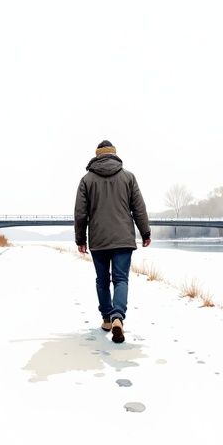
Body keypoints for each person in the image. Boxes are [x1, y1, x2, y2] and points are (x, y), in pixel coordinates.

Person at [74, 140, 151, 343]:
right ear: (114, 154)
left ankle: (107, 319)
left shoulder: (86, 180)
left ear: (97, 155)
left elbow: (80, 213)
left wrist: (80, 239)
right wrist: (145, 232)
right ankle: (118, 316)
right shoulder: (128, 177)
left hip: (98, 239)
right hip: (123, 238)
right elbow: (139, 208)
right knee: (121, 279)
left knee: (102, 280)